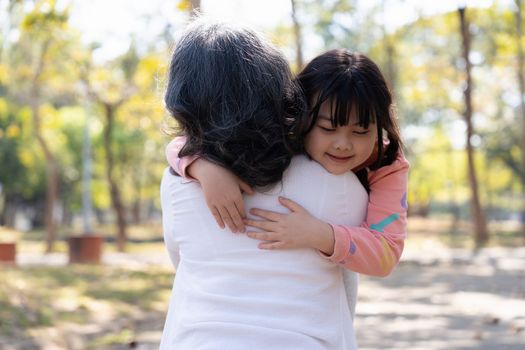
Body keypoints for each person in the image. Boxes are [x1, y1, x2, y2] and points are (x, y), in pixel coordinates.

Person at [160, 20, 366, 349]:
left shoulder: (177, 183)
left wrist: (196, 162)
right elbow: (349, 276)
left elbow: (181, 263)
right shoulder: (336, 180)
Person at [166, 49, 410, 278]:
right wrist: (205, 169)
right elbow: (179, 144)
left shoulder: (386, 164)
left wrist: (318, 234)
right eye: (327, 128)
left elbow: (386, 253)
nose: (343, 144)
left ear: (380, 126)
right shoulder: (280, 129)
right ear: (302, 116)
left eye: (361, 132)